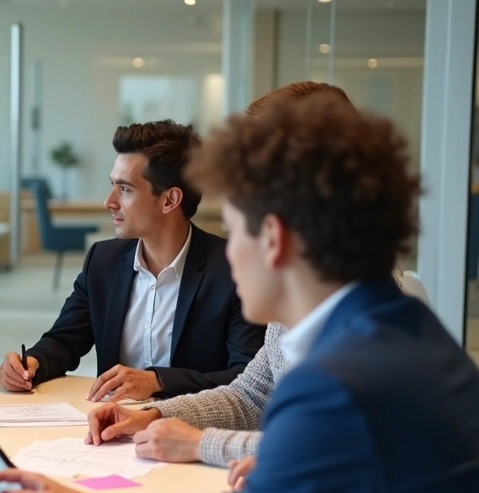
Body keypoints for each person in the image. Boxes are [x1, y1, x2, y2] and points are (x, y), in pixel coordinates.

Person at [0, 94, 479, 493]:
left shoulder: (339, 388)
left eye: (234, 228)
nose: (225, 253)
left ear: (275, 240)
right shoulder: (401, 330)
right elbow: (260, 462)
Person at [84, 82, 425, 469]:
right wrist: (156, 415)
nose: (229, 249)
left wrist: (200, 443)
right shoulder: (308, 294)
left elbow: (324, 449)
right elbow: (252, 395)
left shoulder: (364, 326)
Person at [0, 121, 263, 402]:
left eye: (125, 189)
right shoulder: (103, 261)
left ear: (170, 200)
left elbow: (247, 377)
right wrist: (31, 364)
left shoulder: (234, 269)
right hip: (110, 429)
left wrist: (158, 380)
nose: (109, 201)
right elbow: (63, 341)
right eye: (113, 185)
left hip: (192, 431)